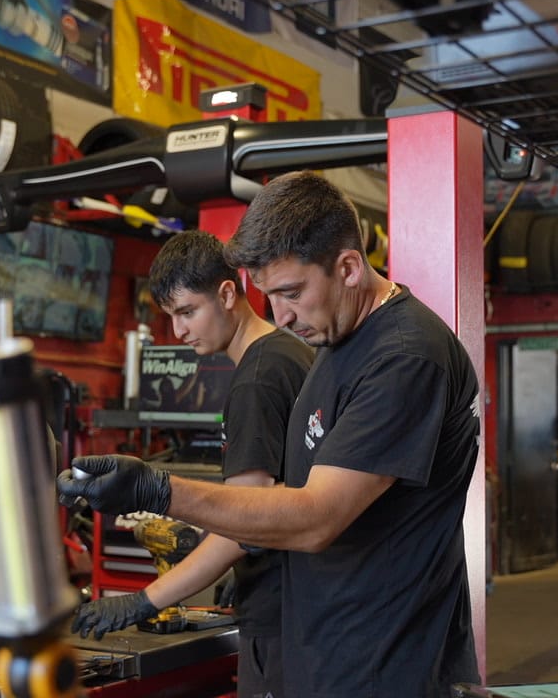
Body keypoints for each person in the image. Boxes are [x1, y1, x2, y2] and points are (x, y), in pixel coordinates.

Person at [58, 170, 482, 697]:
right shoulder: (335, 342)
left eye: (291, 292)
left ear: (348, 267)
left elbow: (316, 518)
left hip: (384, 664)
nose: (280, 316)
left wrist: (159, 491)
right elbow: (285, 500)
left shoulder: (404, 356)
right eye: (270, 296)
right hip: (327, 649)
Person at [70, 230, 313, 698]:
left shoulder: (256, 380)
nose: (178, 331)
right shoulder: (289, 354)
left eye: (187, 312)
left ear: (227, 294)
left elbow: (248, 516)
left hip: (283, 615)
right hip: (303, 604)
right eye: (170, 317)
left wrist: (145, 600)